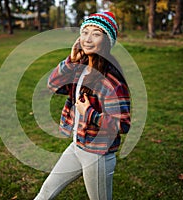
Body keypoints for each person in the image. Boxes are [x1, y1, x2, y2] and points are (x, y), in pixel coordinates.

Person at [34, 12, 131, 200]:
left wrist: (89, 113)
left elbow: (123, 124)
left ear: (106, 40)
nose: (87, 39)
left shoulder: (111, 80)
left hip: (97, 155)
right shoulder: (79, 67)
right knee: (45, 192)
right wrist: (70, 61)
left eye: (96, 34)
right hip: (77, 146)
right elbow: (52, 85)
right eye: (85, 32)